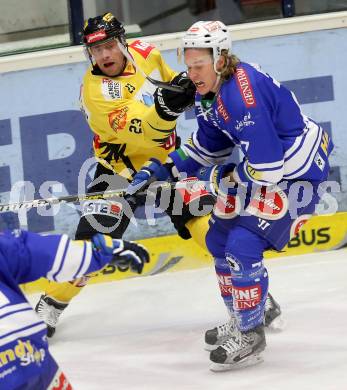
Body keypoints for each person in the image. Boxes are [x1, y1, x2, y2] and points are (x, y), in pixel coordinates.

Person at [126, 20, 333, 371]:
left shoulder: (241, 96)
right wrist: (161, 169)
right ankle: (248, 312)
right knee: (218, 238)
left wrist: (214, 180)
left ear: (220, 58)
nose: (192, 74)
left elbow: (267, 171)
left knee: (242, 244)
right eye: (188, 66)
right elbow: (208, 147)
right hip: (271, 170)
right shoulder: (209, 93)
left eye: (199, 65)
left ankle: (251, 334)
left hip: (299, 177)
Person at [35, 12, 196, 337]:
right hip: (119, 174)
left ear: (121, 42)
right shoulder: (96, 93)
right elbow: (143, 134)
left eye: (109, 45)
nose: (104, 55)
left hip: (165, 167)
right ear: (89, 53)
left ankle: (246, 295)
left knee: (207, 225)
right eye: (96, 50)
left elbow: (172, 84)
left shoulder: (148, 53)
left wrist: (188, 87)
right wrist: (170, 107)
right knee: (91, 245)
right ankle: (51, 303)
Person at [0, 229, 149, 389]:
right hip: (30, 353)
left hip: (28, 358)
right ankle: (52, 303)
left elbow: (31, 251)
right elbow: (34, 250)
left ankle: (53, 302)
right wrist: (103, 252)